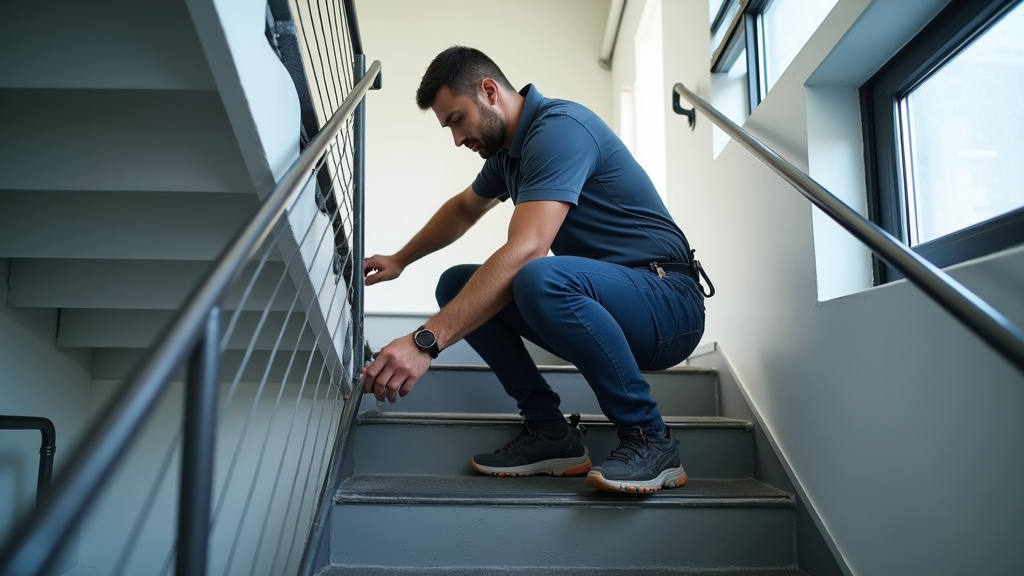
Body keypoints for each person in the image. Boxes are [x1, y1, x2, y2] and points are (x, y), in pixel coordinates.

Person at [360, 46, 709, 493]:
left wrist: (425, 342)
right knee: (457, 284)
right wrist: (400, 259)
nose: (457, 138)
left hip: (668, 303)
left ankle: (650, 437)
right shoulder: (508, 155)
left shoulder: (559, 130)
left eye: (456, 120)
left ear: (489, 91)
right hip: (605, 304)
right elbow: (465, 208)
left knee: (537, 274)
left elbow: (528, 249)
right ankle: (550, 433)